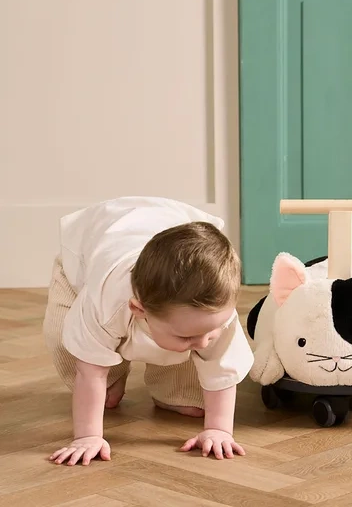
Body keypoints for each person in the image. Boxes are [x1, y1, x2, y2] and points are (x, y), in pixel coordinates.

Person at [43, 196, 254, 466]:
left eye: (211, 330)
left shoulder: (213, 309)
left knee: (189, 393)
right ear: (139, 309)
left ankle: (171, 384)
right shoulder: (104, 301)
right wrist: (88, 436)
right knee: (71, 343)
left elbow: (222, 369)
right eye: (188, 335)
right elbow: (89, 371)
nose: (203, 342)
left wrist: (218, 429)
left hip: (165, 237)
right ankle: (114, 374)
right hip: (84, 260)